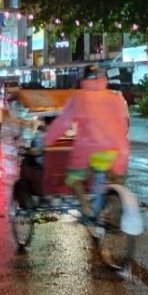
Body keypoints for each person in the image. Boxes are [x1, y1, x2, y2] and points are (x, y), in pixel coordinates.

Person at [43, 65, 130, 220]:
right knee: (108, 174)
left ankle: (85, 206)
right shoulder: (115, 97)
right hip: (118, 150)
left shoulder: (79, 97)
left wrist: (48, 140)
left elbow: (62, 123)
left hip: (90, 149)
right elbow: (123, 124)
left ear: (83, 79)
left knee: (73, 177)